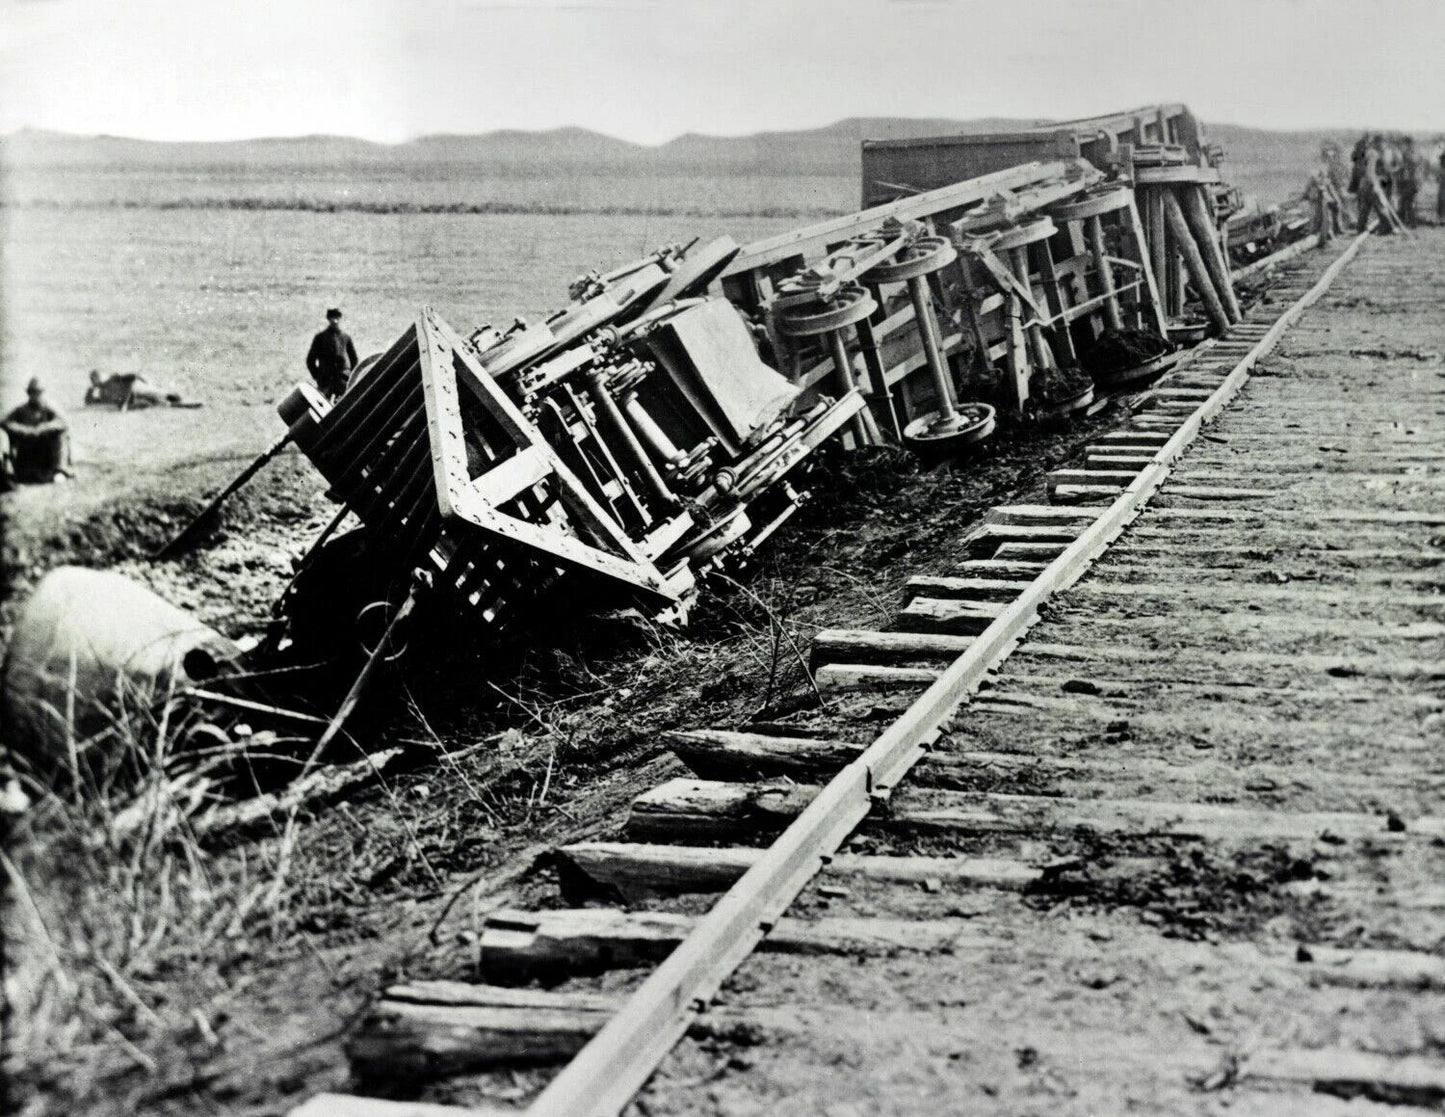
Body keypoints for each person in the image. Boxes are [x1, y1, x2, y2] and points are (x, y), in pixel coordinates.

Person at [3, 378, 70, 484]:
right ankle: (8, 470)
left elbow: (63, 422)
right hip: (27, 451)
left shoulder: (49, 408)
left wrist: (42, 428)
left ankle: (60, 470)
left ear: (43, 393)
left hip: (46, 451)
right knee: (4, 435)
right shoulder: (21, 409)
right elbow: (4, 422)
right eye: (32, 392)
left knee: (61, 435)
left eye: (38, 392)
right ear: (28, 394)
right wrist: (23, 430)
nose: (35, 396)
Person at [306, 307, 358, 401]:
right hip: (326, 381)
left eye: (337, 318)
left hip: (342, 380)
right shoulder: (320, 338)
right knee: (322, 406)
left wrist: (350, 376)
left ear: (340, 319)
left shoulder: (346, 337)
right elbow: (310, 360)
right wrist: (318, 376)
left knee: (343, 406)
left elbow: (354, 359)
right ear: (328, 319)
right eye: (332, 318)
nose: (334, 321)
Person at [85, 369, 201, 410]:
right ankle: (177, 404)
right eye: (93, 381)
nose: (95, 383)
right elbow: (90, 402)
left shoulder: (113, 380)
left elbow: (132, 377)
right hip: (135, 400)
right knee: (155, 403)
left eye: (95, 380)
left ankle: (178, 401)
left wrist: (147, 382)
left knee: (163, 397)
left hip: (136, 392)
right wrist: (90, 391)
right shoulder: (103, 393)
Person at [1396, 137, 1420, 228]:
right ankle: (1405, 222)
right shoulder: (1409, 154)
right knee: (1404, 202)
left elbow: (1408, 169)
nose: (1403, 146)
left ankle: (1411, 223)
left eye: (1405, 144)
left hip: (1409, 182)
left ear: (1408, 144)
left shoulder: (1409, 155)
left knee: (1408, 203)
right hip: (1406, 182)